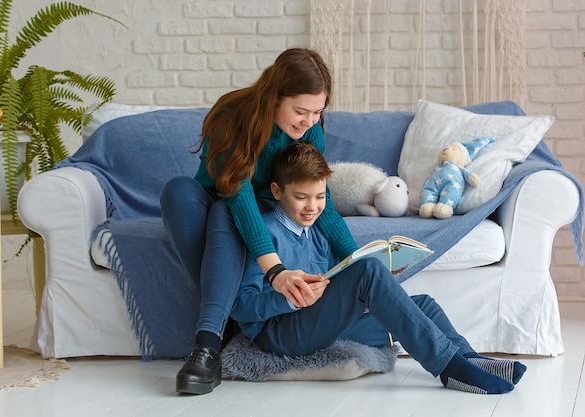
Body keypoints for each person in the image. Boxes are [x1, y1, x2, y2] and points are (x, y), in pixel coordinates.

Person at [230, 141, 527, 395]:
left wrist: (379, 287)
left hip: (318, 323)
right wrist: (288, 298)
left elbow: (336, 283)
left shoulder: (318, 233)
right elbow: (241, 307)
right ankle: (449, 368)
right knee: (367, 270)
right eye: (301, 197)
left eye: (320, 197)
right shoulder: (263, 236)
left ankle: (469, 359)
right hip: (281, 334)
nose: (312, 207)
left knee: (423, 305)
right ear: (276, 191)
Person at [160, 48, 359, 395]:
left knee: (227, 212)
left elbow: (318, 198)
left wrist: (358, 259)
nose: (309, 121)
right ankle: (222, 329)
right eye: (300, 111)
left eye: (317, 112)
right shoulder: (232, 115)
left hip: (268, 207)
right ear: (274, 97)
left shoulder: (311, 129)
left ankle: (209, 341)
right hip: (219, 199)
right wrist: (276, 271)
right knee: (180, 192)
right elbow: (237, 194)